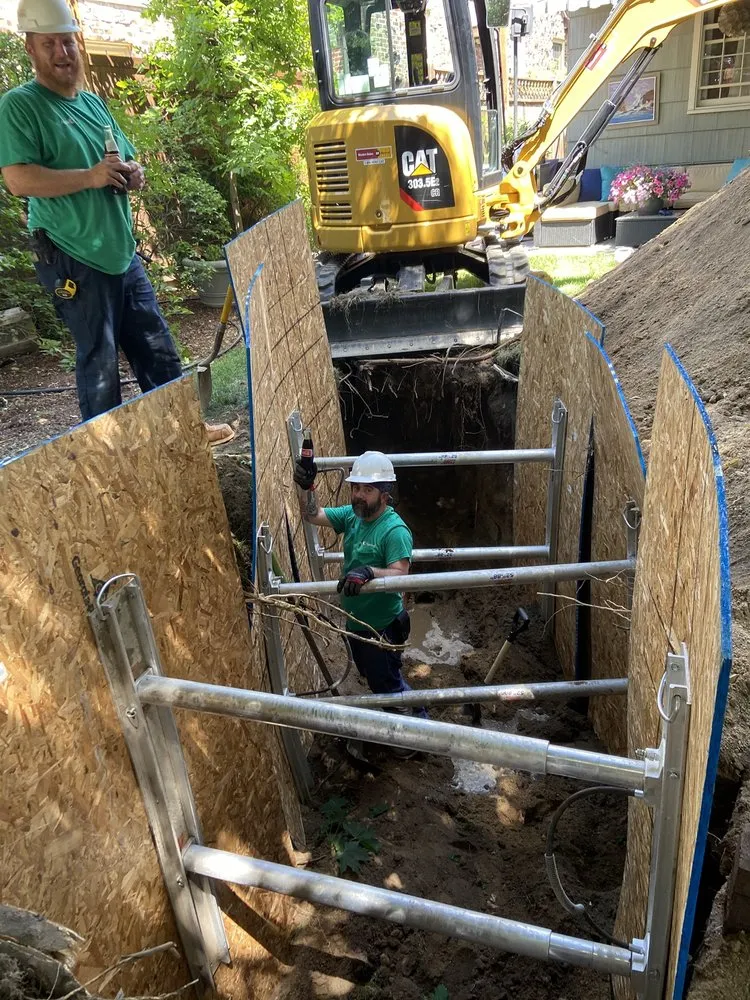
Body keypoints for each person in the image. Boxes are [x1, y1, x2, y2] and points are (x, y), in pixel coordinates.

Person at [0, 0, 232, 443]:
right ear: (30, 48)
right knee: (99, 361)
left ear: (78, 44)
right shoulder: (20, 106)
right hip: (72, 254)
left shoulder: (92, 103)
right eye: (49, 44)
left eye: (67, 42)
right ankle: (106, 458)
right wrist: (91, 176)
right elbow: (18, 179)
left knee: (158, 349)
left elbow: (123, 158)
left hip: (120, 251)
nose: (62, 52)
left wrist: (134, 172)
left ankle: (184, 432)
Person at [295, 449, 426, 719]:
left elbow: (401, 575)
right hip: (356, 623)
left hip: (381, 628)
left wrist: (369, 572)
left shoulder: (394, 530)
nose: (358, 495)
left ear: (385, 494)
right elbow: (312, 515)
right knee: (374, 677)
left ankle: (417, 727)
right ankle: (404, 713)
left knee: (387, 685)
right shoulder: (352, 516)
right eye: (356, 488)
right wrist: (307, 486)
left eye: (367, 489)